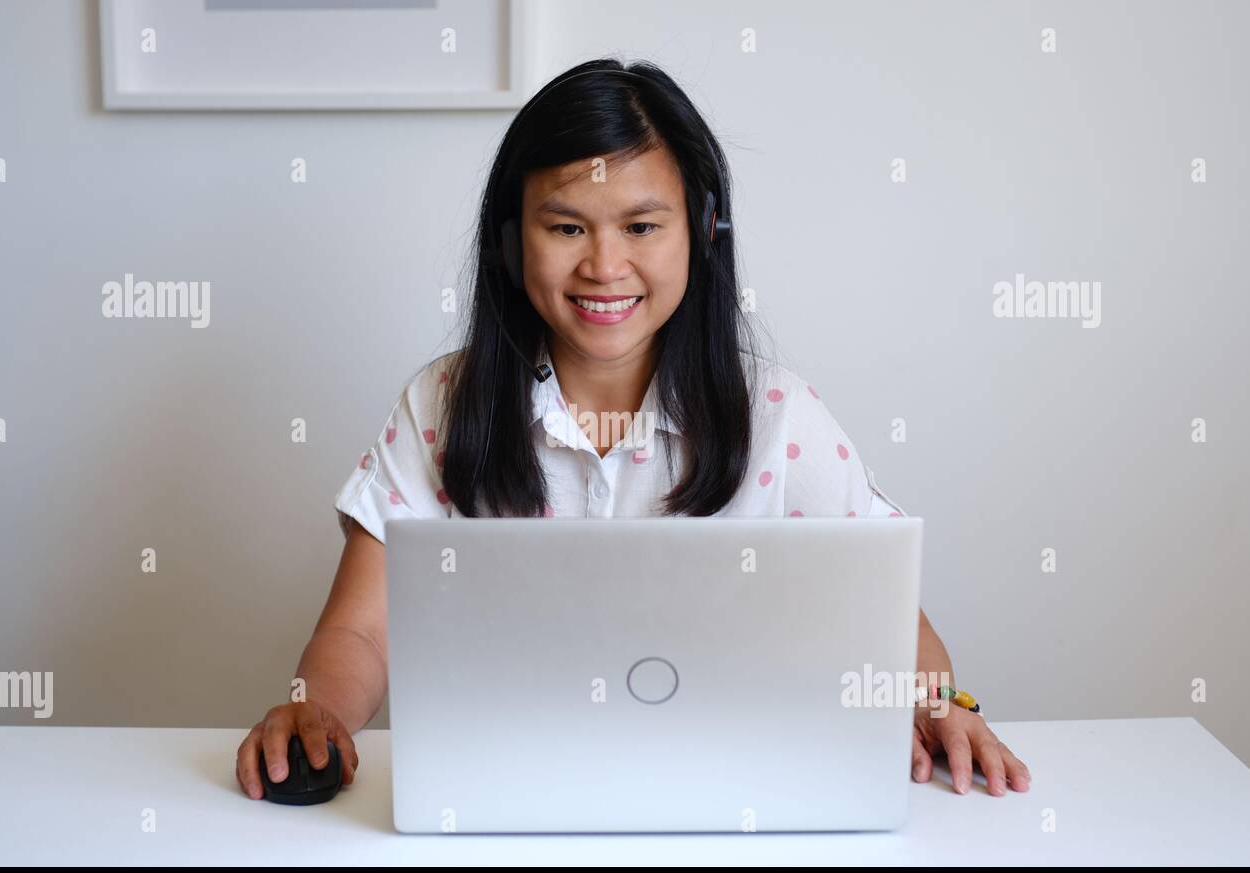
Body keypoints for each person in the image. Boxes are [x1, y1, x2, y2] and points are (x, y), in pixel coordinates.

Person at [236, 58, 1031, 802]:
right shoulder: (442, 403)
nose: (605, 266)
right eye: (566, 228)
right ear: (512, 245)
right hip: (502, 797)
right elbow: (359, 631)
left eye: (643, 227)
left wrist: (939, 702)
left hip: (734, 795)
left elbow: (886, 609)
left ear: (702, 232)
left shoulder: (777, 415)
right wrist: (322, 711)